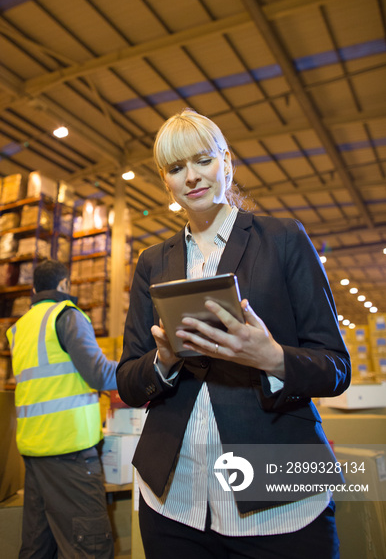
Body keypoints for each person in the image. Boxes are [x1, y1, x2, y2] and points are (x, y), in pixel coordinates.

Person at [116, 109, 351, 559]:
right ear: (166, 181)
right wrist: (163, 362)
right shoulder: (153, 262)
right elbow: (128, 378)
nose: (192, 177)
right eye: (176, 168)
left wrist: (273, 358)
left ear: (227, 161)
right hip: (173, 498)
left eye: (202, 160)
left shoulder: (282, 239)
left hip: (276, 488)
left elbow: (336, 366)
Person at [7, 259, 117, 559]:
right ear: (65, 285)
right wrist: (140, 370)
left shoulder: (19, 328)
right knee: (90, 545)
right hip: (69, 450)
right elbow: (100, 374)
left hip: (34, 450)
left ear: (33, 289)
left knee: (38, 546)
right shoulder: (67, 315)